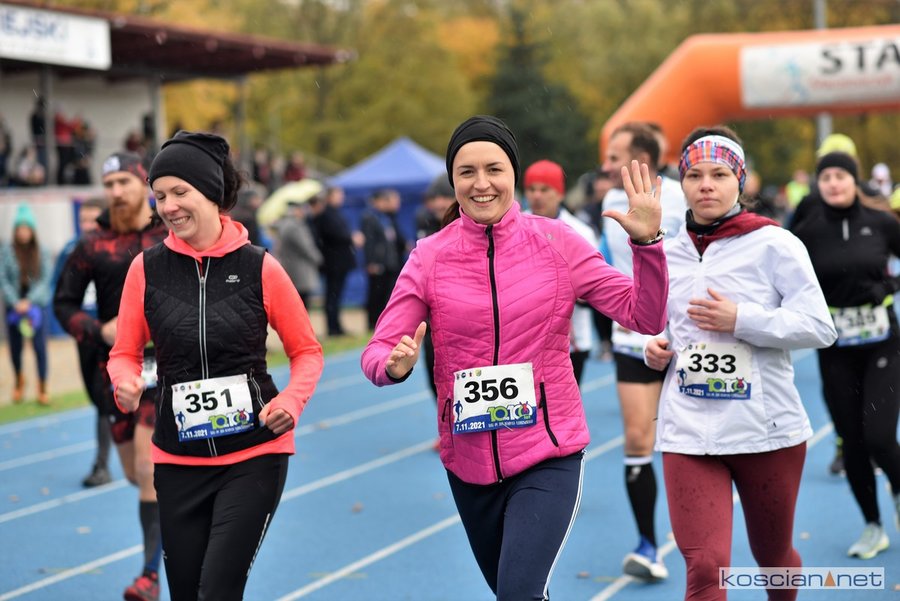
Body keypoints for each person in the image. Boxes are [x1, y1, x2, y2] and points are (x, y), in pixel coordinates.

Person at [361, 115, 668, 600]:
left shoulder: (558, 242)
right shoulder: (429, 257)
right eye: (467, 172)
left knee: (518, 592)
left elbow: (644, 315)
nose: (481, 183)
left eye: (494, 169)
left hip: (548, 450)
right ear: (453, 181)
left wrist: (647, 244)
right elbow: (377, 350)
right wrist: (391, 366)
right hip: (468, 461)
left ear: (513, 175)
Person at [107, 131, 324, 601]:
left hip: (253, 454)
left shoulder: (261, 267)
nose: (168, 206)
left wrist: (291, 400)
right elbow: (124, 352)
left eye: (179, 192)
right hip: (177, 459)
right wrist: (124, 382)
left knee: (218, 591)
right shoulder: (146, 269)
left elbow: (307, 351)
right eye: (159, 196)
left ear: (209, 191)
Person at [644, 126, 837, 601]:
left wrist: (742, 319)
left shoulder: (775, 244)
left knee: (773, 556)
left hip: (765, 429)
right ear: (682, 183)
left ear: (741, 181)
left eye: (719, 174)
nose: (706, 185)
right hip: (689, 431)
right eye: (694, 175)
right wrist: (656, 344)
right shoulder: (666, 251)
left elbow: (820, 327)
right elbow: (657, 322)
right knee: (705, 566)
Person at [53, 152, 169, 600]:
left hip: (165, 365)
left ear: (144, 185)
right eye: (109, 184)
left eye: (124, 182)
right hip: (113, 369)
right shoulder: (92, 244)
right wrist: (97, 329)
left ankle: (149, 576)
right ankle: (179, 514)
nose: (116, 192)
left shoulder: (168, 233)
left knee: (147, 467)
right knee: (135, 475)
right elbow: (63, 303)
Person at [790, 151, 900, 560]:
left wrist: (889, 288)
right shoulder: (807, 231)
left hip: (882, 343)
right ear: (818, 184)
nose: (834, 183)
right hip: (835, 347)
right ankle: (873, 525)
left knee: (879, 437)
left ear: (855, 180)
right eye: (826, 177)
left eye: (841, 175)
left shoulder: (881, 222)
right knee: (851, 440)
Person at [600, 121, 687, 580]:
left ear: (642, 161)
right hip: (632, 337)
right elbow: (607, 265)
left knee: (686, 440)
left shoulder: (683, 196)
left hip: (685, 338)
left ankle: (697, 539)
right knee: (637, 439)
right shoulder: (610, 203)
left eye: (615, 158)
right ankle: (648, 544)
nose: (605, 165)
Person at [51, 196, 112, 486]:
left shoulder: (115, 248)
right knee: (95, 395)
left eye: (93, 220)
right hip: (86, 332)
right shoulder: (71, 249)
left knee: (105, 398)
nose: (87, 225)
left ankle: (102, 464)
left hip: (114, 334)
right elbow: (59, 291)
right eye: (83, 220)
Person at [524, 159, 598, 385]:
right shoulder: (512, 227)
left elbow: (593, 288)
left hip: (571, 341)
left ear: (559, 193)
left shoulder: (581, 232)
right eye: (531, 189)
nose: (537, 196)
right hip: (525, 339)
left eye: (544, 189)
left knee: (564, 405)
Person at [1, 204, 53, 405]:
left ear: (32, 230)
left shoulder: (42, 251)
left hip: (36, 305)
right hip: (14, 305)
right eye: (20, 228)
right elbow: (3, 278)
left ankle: (42, 386)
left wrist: (29, 301)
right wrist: (15, 302)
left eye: (26, 228)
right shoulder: (7, 251)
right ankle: (19, 380)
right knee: (15, 347)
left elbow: (45, 279)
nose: (23, 232)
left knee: (40, 347)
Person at [310, 185, 358, 337]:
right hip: (333, 262)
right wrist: (351, 238)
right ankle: (332, 328)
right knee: (332, 295)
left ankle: (336, 326)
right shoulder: (326, 214)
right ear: (330, 197)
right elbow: (336, 234)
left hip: (339, 261)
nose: (341, 197)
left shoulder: (335, 213)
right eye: (338, 194)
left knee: (336, 295)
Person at [360, 188, 406, 330]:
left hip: (389, 262)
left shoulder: (387, 217)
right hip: (378, 262)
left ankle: (383, 322)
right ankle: (372, 323)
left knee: (387, 293)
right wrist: (371, 262)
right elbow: (369, 242)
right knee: (376, 294)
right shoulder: (370, 217)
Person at [272, 198, 323, 308]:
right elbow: (306, 247)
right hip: (300, 270)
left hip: (289, 267)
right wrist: (318, 259)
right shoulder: (295, 226)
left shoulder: (283, 224)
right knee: (302, 304)